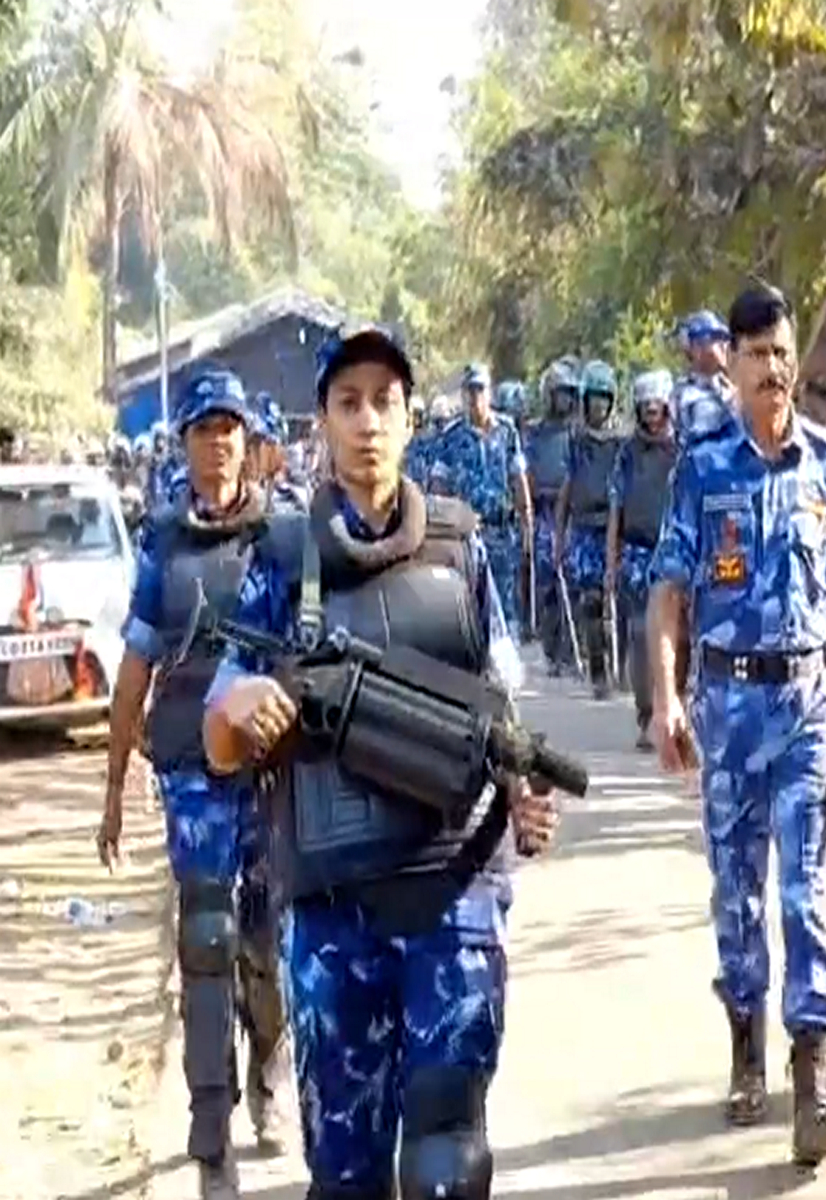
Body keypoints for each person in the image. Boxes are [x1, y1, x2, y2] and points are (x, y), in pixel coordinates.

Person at [200, 325, 560, 1199]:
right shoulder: (283, 561)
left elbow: (500, 697)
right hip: (336, 912)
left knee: (448, 1158)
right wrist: (238, 708)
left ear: (409, 419)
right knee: (347, 1174)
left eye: (385, 402)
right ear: (323, 420)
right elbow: (217, 733)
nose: (368, 421)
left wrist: (524, 791)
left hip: (454, 890)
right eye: (348, 402)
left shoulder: (461, 548)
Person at [648, 282, 826, 1167]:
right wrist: (666, 698)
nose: (773, 369)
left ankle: (814, 1082)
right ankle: (746, 1042)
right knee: (738, 897)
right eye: (756, 356)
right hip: (730, 711)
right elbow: (669, 594)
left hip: (811, 703)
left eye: (782, 352)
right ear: (732, 368)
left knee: (806, 894)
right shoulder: (703, 470)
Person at [97, 368, 293, 1199]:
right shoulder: (164, 545)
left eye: (229, 429)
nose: (217, 443)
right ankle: (211, 1127)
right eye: (204, 430)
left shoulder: (284, 536)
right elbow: (134, 667)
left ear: (248, 443)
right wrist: (113, 790)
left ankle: (270, 1072)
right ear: (184, 445)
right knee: (207, 941)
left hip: (271, 771)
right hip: (190, 773)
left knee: (266, 946)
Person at [430, 363, 534, 643]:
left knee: (506, 609)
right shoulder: (452, 437)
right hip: (467, 536)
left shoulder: (507, 432)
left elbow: (518, 478)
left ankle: (506, 659)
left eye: (480, 389)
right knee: (471, 607)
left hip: (502, 534)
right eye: (470, 390)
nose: (475, 397)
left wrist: (527, 522)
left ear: (490, 393)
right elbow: (439, 486)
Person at [607, 367, 679, 748]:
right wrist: (611, 560)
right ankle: (646, 715)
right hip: (636, 554)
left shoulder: (684, 450)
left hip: (675, 551)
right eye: (645, 409)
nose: (652, 416)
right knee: (639, 635)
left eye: (657, 408)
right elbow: (616, 509)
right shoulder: (628, 454)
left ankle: (675, 711)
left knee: (678, 636)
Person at [555, 360, 625, 696]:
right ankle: (598, 673)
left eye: (603, 399)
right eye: (593, 399)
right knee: (590, 603)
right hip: (584, 531)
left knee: (623, 605)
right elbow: (566, 489)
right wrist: (559, 536)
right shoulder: (577, 442)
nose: (598, 406)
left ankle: (627, 670)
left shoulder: (622, 444)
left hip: (615, 530)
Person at [525, 360, 579, 671]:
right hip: (545, 511)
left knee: (570, 582)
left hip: (571, 514)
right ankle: (551, 649)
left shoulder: (577, 433)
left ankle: (570, 650)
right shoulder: (536, 433)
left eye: (569, 393)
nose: (565, 400)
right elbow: (527, 473)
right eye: (560, 393)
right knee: (546, 582)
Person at [671, 310, 738, 447]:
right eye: (716, 340)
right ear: (696, 348)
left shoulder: (730, 386)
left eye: (724, 340)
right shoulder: (688, 396)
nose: (724, 346)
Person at [249, 392, 307, 511]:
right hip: (267, 443)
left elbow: (276, 425)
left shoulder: (271, 410)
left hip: (270, 445)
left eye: (260, 402)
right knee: (264, 476)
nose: (258, 404)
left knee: (269, 475)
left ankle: (267, 503)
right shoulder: (260, 413)